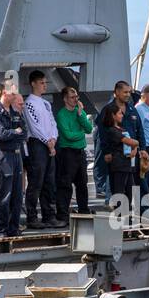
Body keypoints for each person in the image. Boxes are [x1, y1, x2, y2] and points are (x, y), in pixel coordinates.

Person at [0, 87, 27, 238]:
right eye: (12, 93)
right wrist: (14, 132)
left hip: (16, 155)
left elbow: (24, 132)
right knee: (4, 195)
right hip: (3, 155)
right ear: (4, 93)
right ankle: (0, 230)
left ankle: (13, 228)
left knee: (17, 195)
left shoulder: (14, 112)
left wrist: (16, 133)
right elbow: (1, 134)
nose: (15, 96)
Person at [22, 70, 59, 229]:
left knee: (49, 182)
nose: (45, 85)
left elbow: (52, 123)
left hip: (49, 144)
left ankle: (49, 215)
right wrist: (47, 141)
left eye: (45, 83)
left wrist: (54, 138)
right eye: (42, 83)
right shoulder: (29, 103)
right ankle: (32, 217)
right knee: (36, 182)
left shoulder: (46, 103)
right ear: (33, 84)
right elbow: (34, 126)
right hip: (37, 144)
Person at [54, 85, 95, 224]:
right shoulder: (61, 114)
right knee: (65, 185)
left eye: (76, 96)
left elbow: (89, 128)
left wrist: (81, 115)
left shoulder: (79, 111)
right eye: (72, 97)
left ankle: (84, 210)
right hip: (67, 153)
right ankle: (63, 215)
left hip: (79, 152)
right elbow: (68, 135)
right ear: (65, 99)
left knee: (82, 183)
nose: (75, 99)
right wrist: (81, 133)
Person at [102, 102, 140, 204]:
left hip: (126, 163)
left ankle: (126, 214)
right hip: (118, 164)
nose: (122, 115)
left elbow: (132, 143)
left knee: (129, 190)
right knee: (119, 191)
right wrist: (136, 143)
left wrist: (134, 149)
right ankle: (120, 214)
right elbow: (130, 141)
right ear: (113, 116)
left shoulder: (121, 128)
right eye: (119, 113)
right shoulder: (112, 130)